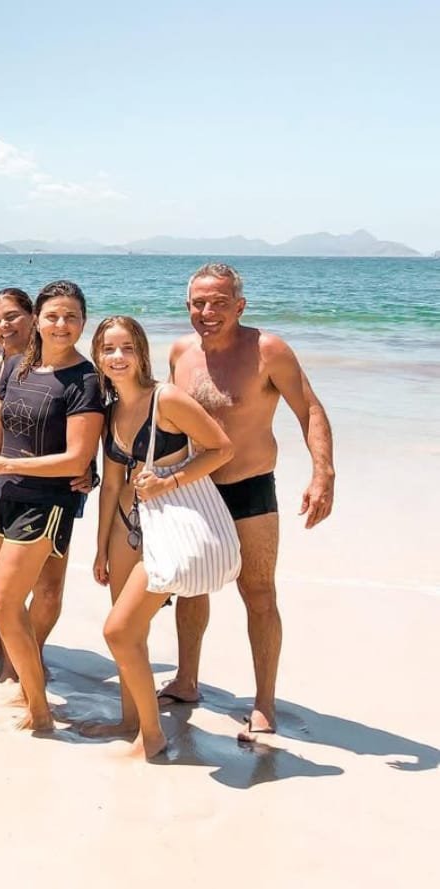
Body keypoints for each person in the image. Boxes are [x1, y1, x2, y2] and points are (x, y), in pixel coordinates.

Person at [158, 263, 335, 741]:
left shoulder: (268, 350)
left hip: (251, 487)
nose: (207, 311)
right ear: (187, 306)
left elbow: (310, 408)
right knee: (192, 586)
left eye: (219, 302)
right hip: (194, 487)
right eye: (199, 302)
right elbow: (167, 419)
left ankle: (264, 703)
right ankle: (186, 679)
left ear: (240, 305)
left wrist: (323, 473)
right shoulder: (180, 352)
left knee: (258, 592)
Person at [0, 281, 105, 731]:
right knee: (3, 603)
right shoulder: (18, 368)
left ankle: (39, 710)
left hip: (47, 503)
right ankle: (26, 686)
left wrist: (2, 461)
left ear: (83, 322)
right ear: (39, 321)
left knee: (4, 604)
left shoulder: (86, 380)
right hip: (3, 495)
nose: (62, 325)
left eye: (72, 317)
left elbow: (77, 458)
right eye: (53, 316)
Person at [89, 316, 234, 758]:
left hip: (167, 526)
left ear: (141, 353)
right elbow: (113, 484)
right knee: (132, 633)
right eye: (108, 348)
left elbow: (221, 448)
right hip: (125, 528)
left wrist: (170, 481)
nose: (117, 357)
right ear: (97, 355)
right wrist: (99, 548)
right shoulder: (112, 409)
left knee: (118, 631)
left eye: (127, 348)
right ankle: (130, 720)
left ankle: (152, 737)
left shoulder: (166, 399)